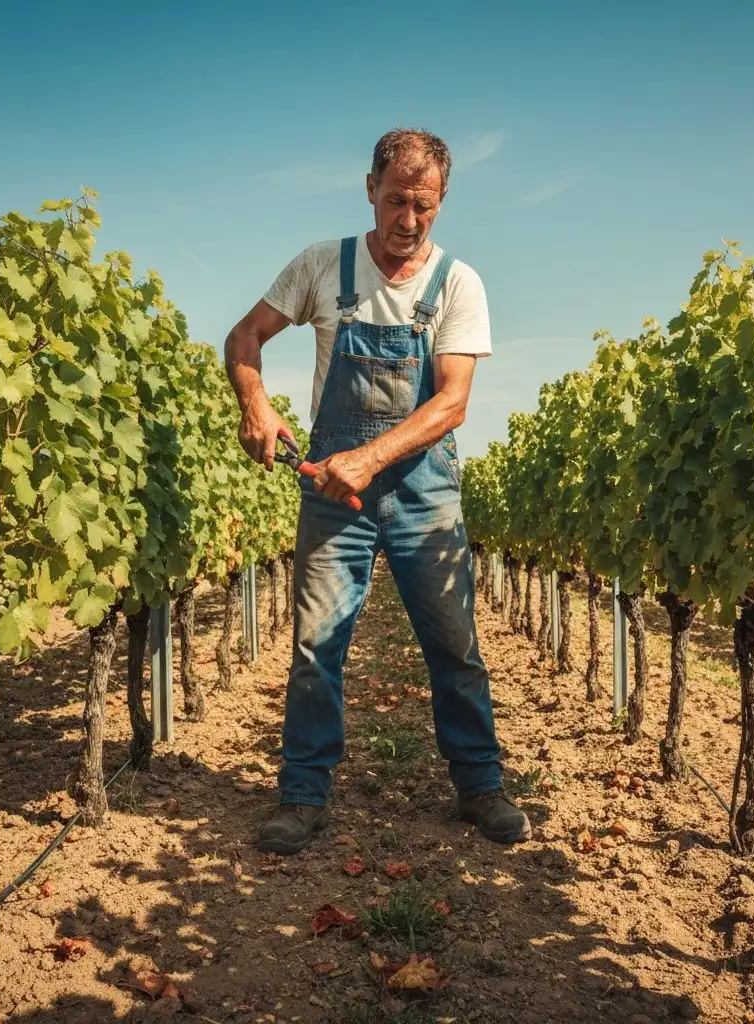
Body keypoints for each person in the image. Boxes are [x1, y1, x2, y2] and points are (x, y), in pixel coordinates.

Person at [223, 127, 531, 855]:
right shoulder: (322, 267)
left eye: (425, 206)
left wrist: (368, 458)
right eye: (396, 201)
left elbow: (452, 403)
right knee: (314, 646)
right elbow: (243, 338)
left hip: (424, 493)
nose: (409, 221)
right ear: (370, 189)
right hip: (335, 493)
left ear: (442, 202)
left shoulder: (458, 283)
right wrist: (255, 403)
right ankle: (303, 794)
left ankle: (480, 783)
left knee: (454, 642)